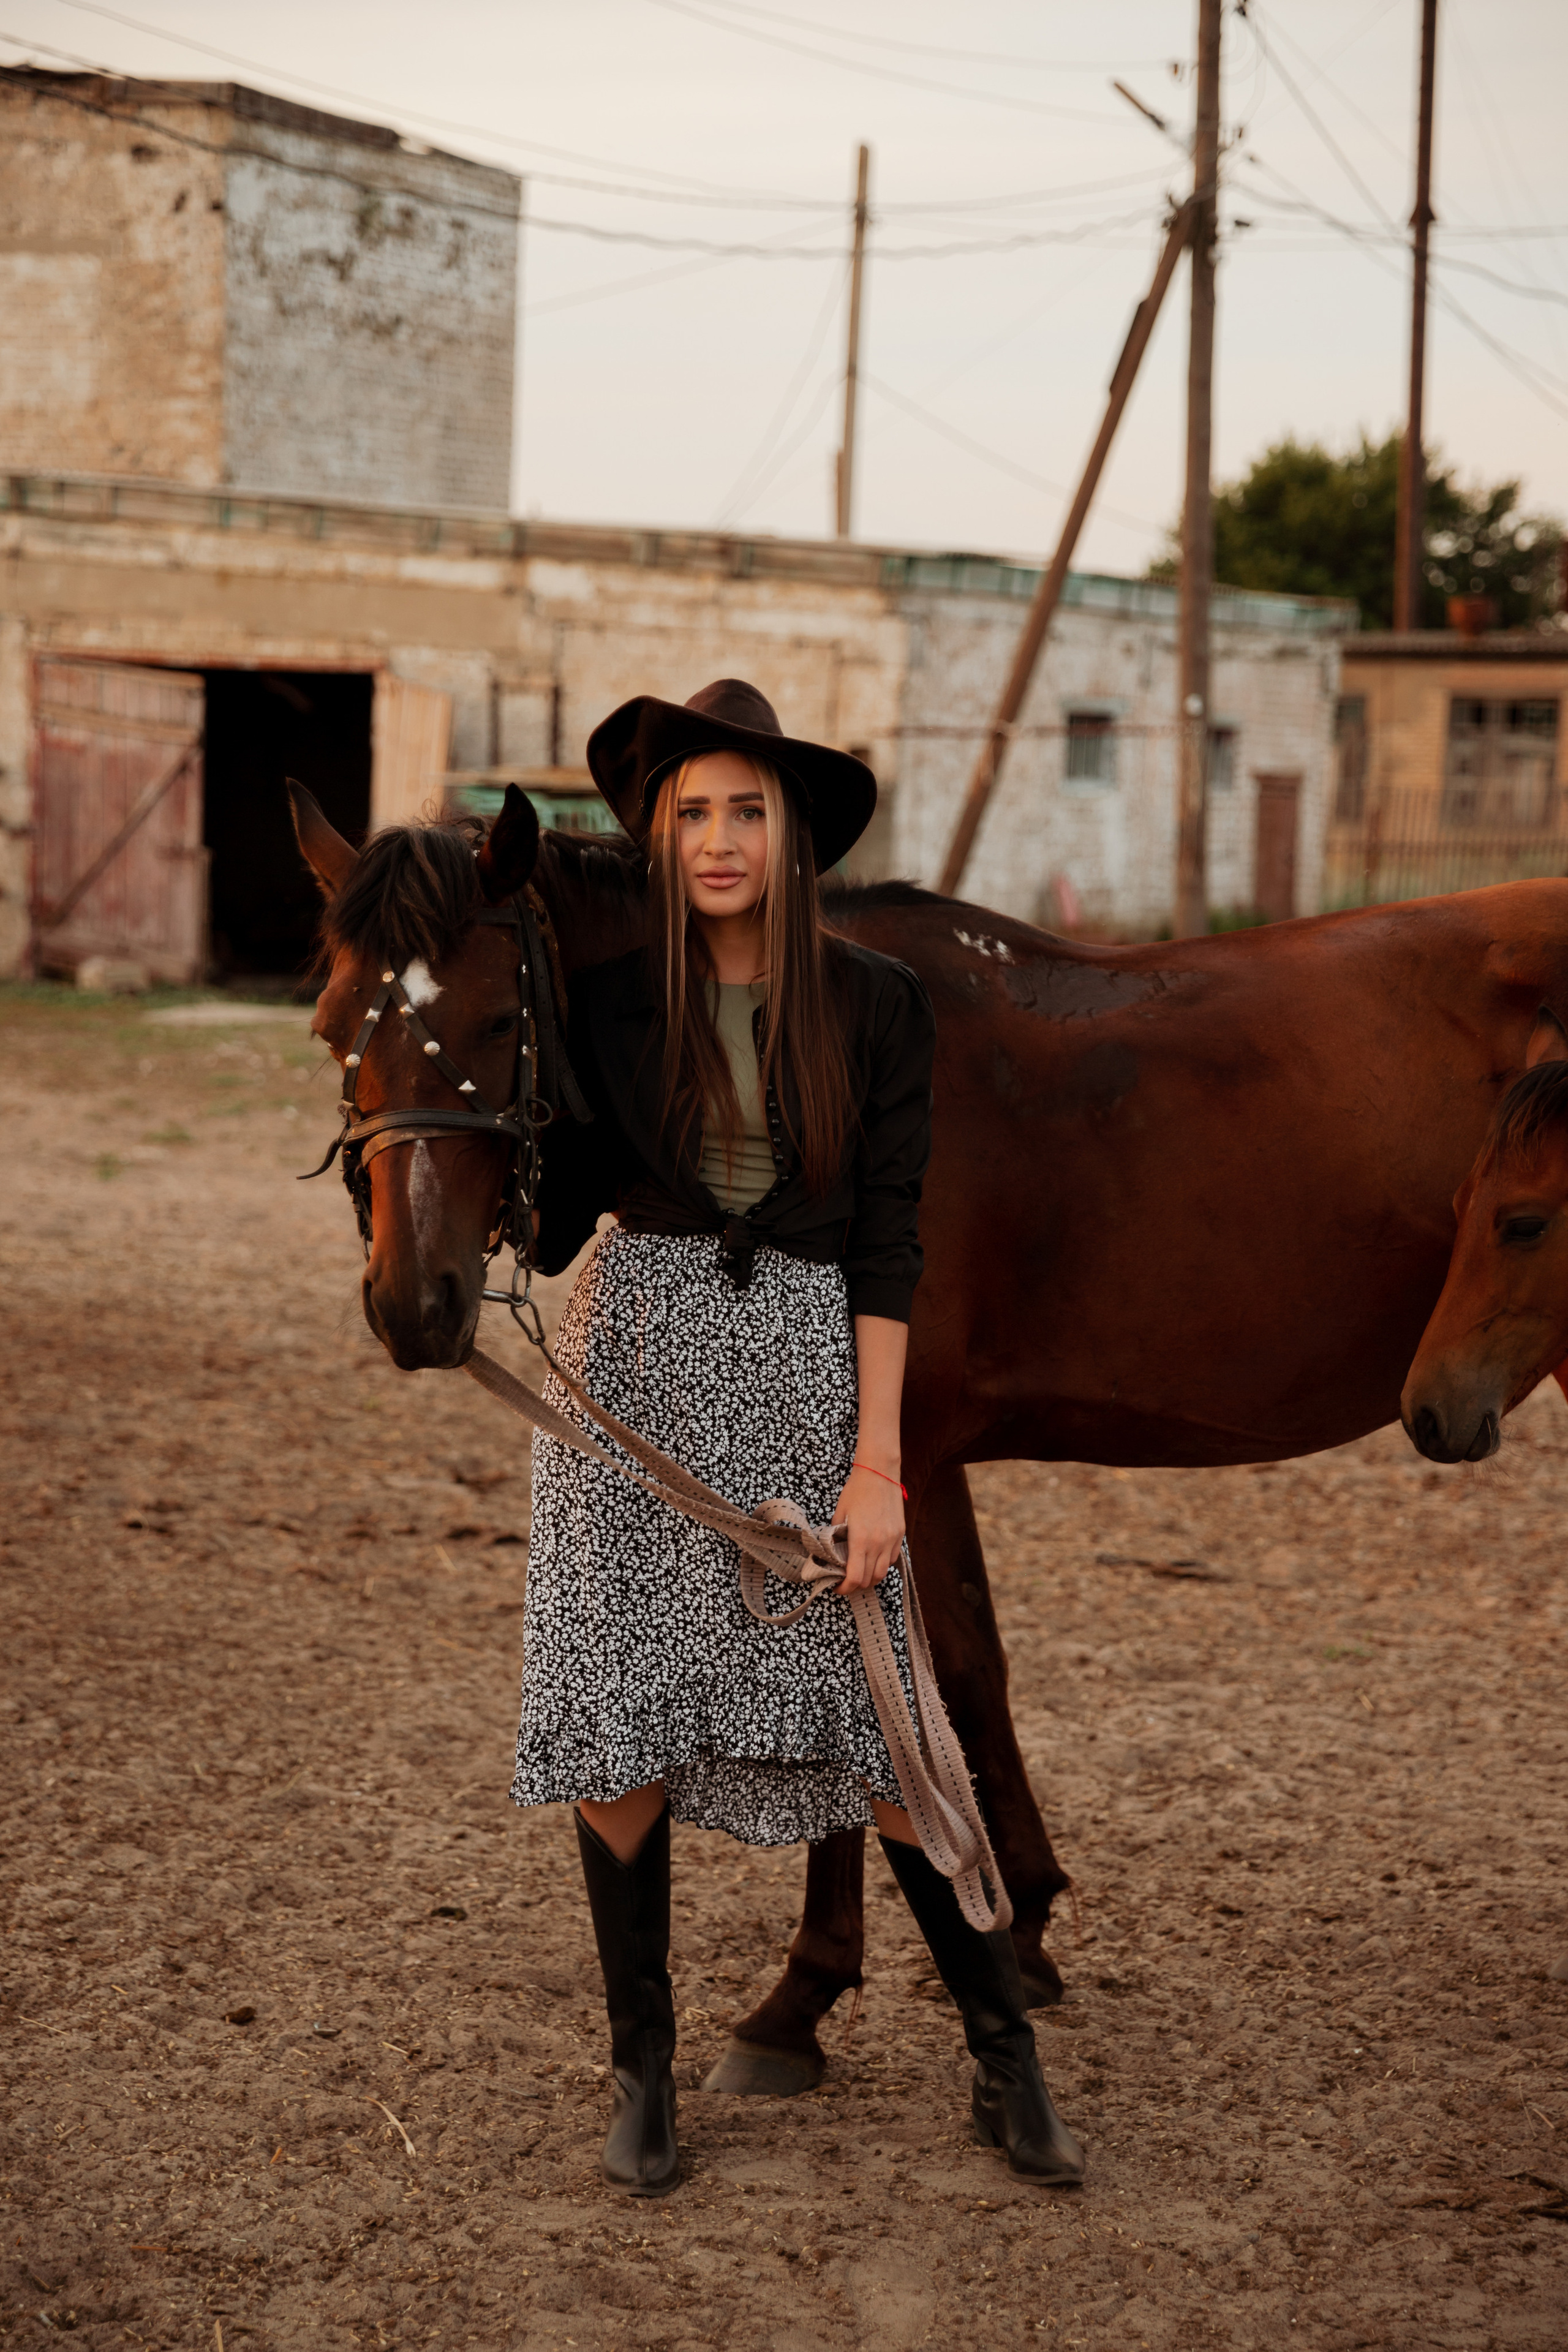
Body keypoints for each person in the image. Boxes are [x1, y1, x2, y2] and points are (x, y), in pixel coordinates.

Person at [513, 679, 1083, 2198]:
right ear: (656, 835)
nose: (716, 839)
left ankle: (1002, 2058)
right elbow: (557, 1223)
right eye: (690, 811)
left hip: (803, 1373)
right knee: (617, 1718)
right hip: (630, 1370)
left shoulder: (876, 1005)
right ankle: (642, 2074)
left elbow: (888, 1244)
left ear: (792, 835)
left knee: (884, 1730)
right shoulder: (607, 1005)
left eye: (745, 811)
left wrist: (878, 1464)